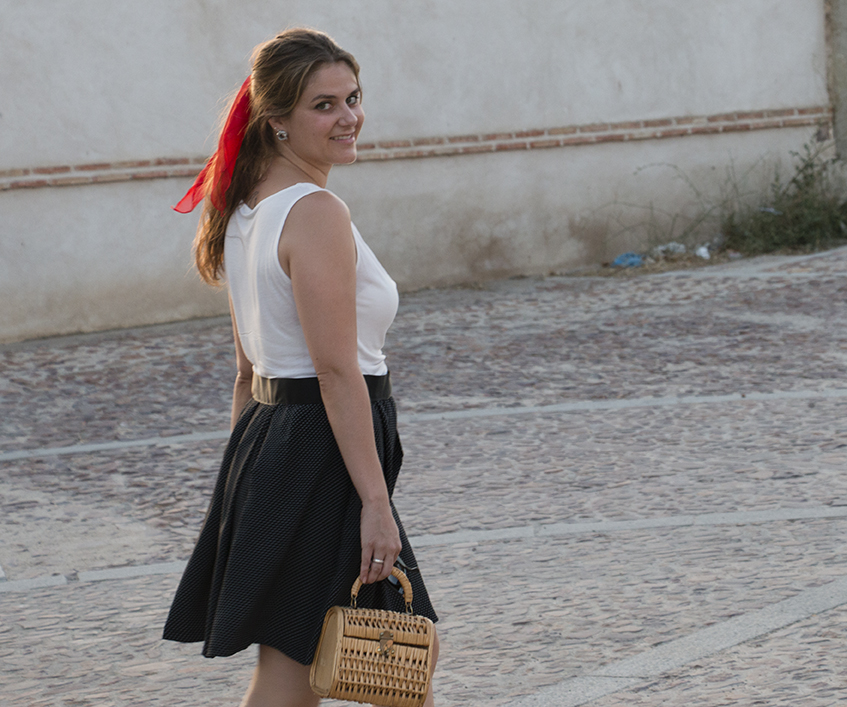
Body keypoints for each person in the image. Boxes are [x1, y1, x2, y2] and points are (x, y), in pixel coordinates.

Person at [162, 28, 439, 707]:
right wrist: (375, 505)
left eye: (352, 97)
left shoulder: (243, 205)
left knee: (318, 660)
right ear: (276, 120)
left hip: (274, 446)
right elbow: (336, 372)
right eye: (323, 105)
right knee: (380, 655)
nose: (347, 118)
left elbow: (244, 371)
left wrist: (243, 483)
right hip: (325, 450)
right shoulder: (315, 212)